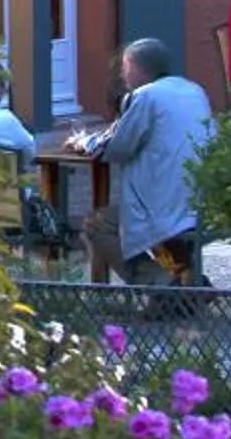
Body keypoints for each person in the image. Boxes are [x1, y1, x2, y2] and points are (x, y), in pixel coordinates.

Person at [78, 38, 215, 285]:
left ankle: (159, 284)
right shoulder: (193, 90)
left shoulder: (145, 96)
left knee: (98, 224)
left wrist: (84, 143)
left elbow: (117, 147)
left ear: (136, 67)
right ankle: (188, 281)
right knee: (158, 232)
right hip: (197, 200)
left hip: (162, 201)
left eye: (124, 67)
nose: (122, 74)